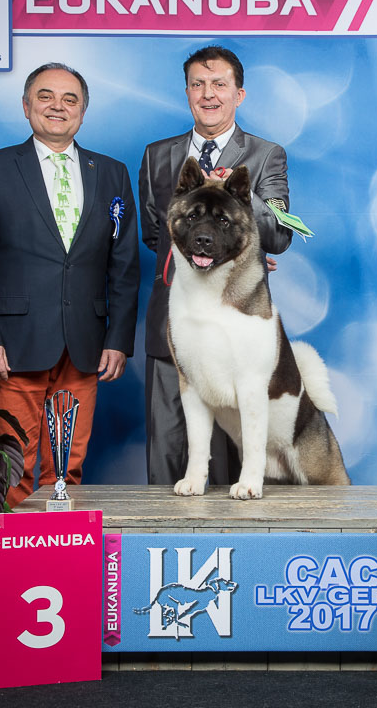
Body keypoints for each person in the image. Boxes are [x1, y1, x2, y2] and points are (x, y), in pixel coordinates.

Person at [0, 62, 139, 506]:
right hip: (12, 344)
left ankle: (59, 545)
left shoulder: (111, 172)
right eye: (45, 96)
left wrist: (118, 340)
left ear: (82, 112)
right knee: (11, 467)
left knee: (67, 467)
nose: (58, 106)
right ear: (26, 106)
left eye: (70, 99)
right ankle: (13, 549)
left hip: (85, 345)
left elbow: (124, 264)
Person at [139, 45, 293, 486]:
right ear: (187, 91)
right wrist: (199, 259)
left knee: (232, 459)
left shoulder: (266, 154)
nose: (208, 94)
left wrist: (243, 205)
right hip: (173, 322)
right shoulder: (156, 155)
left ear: (238, 94)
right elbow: (155, 233)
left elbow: (279, 236)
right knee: (166, 456)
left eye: (219, 84)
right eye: (198, 84)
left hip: (237, 325)